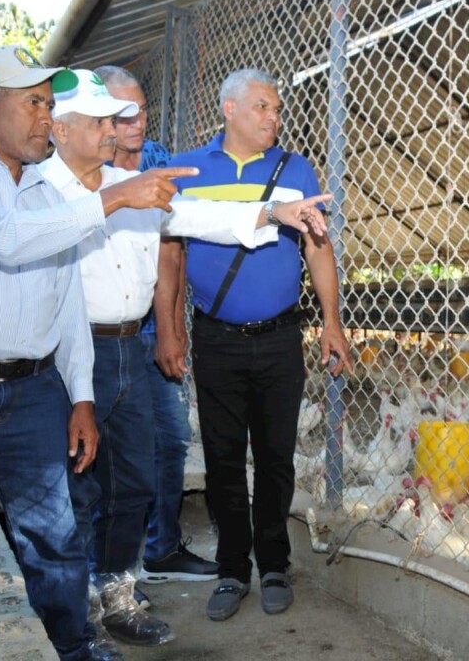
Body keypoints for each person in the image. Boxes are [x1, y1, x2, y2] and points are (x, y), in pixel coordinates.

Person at [39, 67, 331, 648]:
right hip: (69, 349)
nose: (119, 129)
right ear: (61, 129)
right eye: (104, 120)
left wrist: (273, 213)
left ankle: (118, 595)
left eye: (123, 117)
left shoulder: (141, 183)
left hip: (134, 344)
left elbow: (195, 219)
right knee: (69, 486)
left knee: (135, 481)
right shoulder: (39, 188)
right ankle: (71, 610)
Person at [0, 45, 196, 661]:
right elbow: (3, 240)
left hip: (32, 391)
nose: (46, 117)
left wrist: (80, 397)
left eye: (49, 104)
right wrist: (113, 199)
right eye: (33, 103)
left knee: (52, 535)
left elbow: (65, 305)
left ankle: (72, 647)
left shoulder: (46, 193)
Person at [167, 68, 353, 623]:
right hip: (215, 337)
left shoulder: (296, 170)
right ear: (229, 109)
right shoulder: (189, 169)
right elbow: (171, 252)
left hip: (279, 337)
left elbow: (318, 248)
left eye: (277, 109)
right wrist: (171, 327)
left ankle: (273, 564)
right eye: (262, 107)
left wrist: (332, 322)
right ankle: (231, 569)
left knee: (275, 457)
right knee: (223, 458)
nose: (274, 117)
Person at [93, 64, 217, 586]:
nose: (138, 122)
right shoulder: (82, 164)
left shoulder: (158, 158)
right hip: (99, 336)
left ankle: (161, 548)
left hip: (149, 328)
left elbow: (171, 248)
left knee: (171, 440)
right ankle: (103, 570)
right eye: (125, 114)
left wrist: (171, 328)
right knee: (106, 454)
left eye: (142, 110)